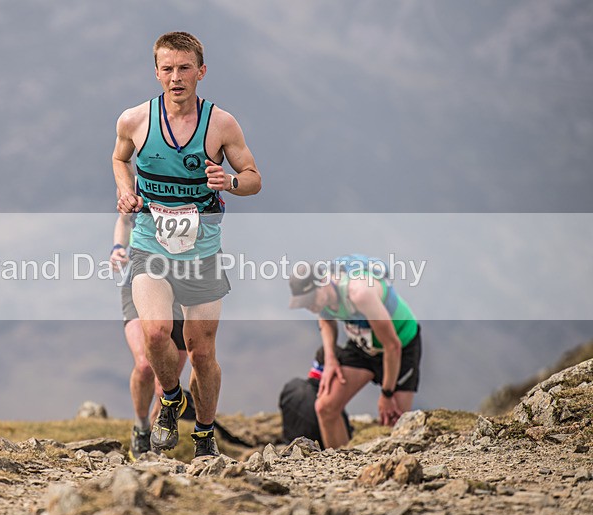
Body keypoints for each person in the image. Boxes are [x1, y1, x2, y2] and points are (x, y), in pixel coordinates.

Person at [113, 31, 261, 458]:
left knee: (201, 351)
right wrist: (126, 189)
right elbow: (119, 157)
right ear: (156, 72)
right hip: (150, 246)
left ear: (201, 71)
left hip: (201, 255)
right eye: (167, 68)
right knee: (156, 334)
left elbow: (253, 177)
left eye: (184, 68)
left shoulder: (221, 124)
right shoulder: (135, 120)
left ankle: (204, 434)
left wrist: (230, 182)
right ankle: (171, 398)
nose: (175, 77)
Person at [288, 261, 422, 449]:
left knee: (394, 421)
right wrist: (331, 359)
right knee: (325, 407)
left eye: (311, 299)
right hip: (362, 346)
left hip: (402, 345)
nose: (309, 306)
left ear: (324, 282)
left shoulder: (360, 293)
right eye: (304, 302)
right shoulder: (324, 297)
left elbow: (393, 346)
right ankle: (338, 466)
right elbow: (325, 319)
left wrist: (387, 393)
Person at [110, 213, 188, 461]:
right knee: (144, 365)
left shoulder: (190, 176)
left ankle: (157, 435)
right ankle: (141, 426)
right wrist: (118, 248)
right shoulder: (139, 179)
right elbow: (124, 219)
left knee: (166, 380)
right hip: (139, 276)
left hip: (183, 281)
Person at [279, 346, 353, 449]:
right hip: (317, 455)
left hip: (288, 450)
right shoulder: (330, 408)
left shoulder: (291, 387)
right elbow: (344, 443)